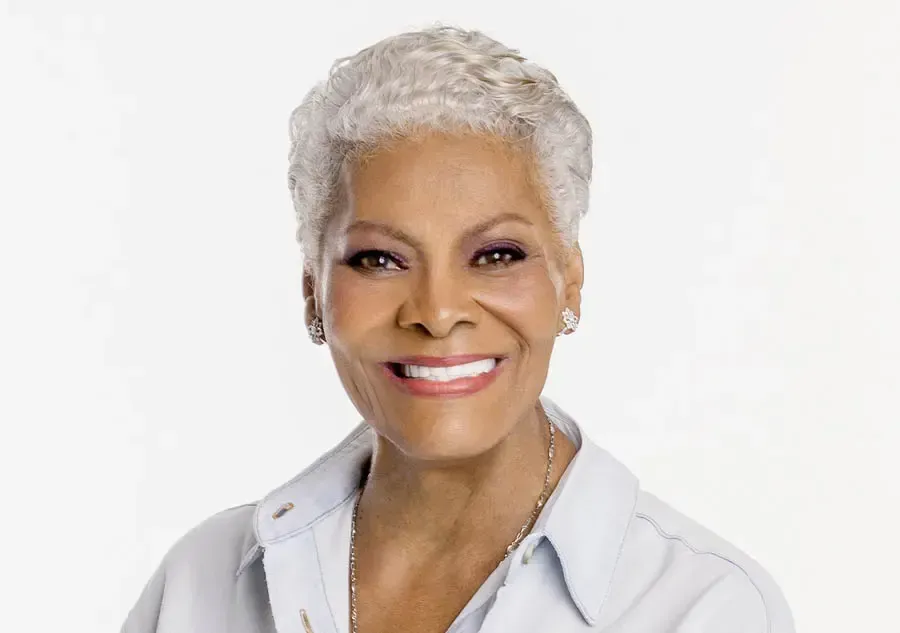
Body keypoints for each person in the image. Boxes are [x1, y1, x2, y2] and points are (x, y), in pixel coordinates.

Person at [121, 25, 794, 633]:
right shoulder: (202, 585)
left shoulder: (702, 610)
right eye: (379, 259)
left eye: (496, 255)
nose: (438, 312)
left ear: (569, 281)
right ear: (313, 294)